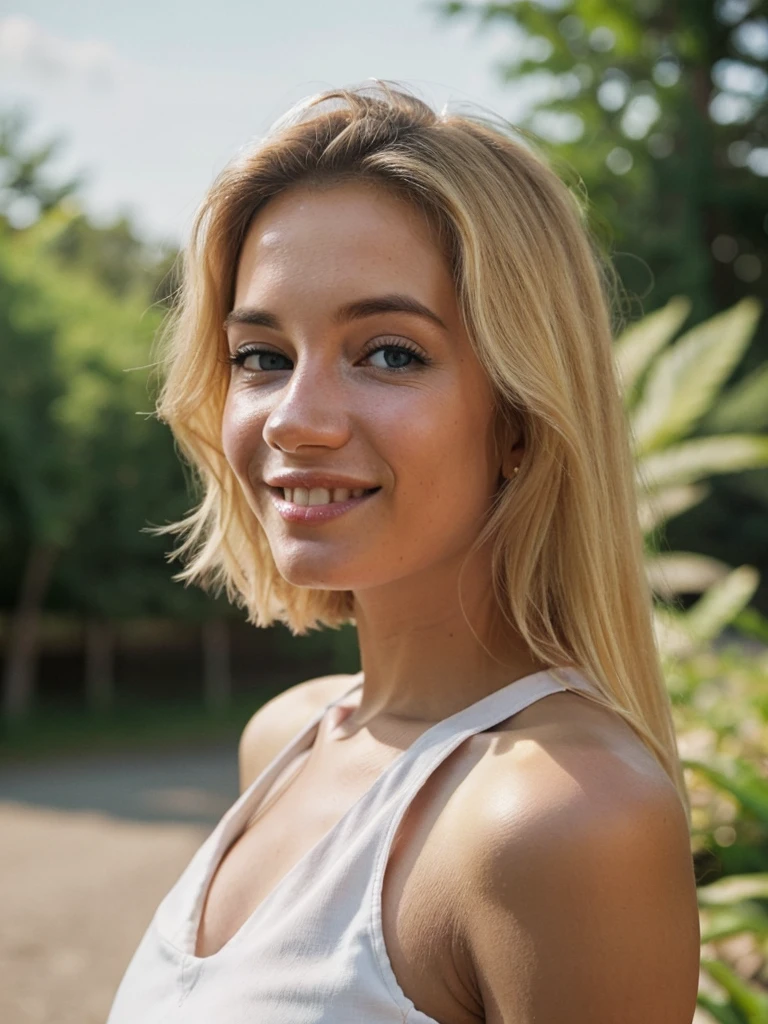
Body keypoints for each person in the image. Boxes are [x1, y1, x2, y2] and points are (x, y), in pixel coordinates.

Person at [106, 80, 700, 1023]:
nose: (294, 420)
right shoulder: (283, 738)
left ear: (519, 417)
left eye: (389, 353)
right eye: (261, 356)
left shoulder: (560, 819)